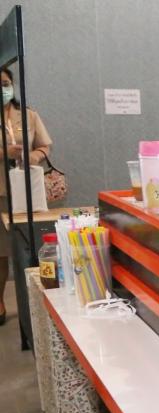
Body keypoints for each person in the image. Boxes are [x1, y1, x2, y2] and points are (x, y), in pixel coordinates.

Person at [0, 66, 53, 325]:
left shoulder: (28, 115)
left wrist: (32, 157)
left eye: (5, 83)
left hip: (26, 192)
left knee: (29, 245)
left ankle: (39, 300)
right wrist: (5, 153)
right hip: (1, 191)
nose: (3, 89)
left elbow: (45, 145)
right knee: (1, 252)